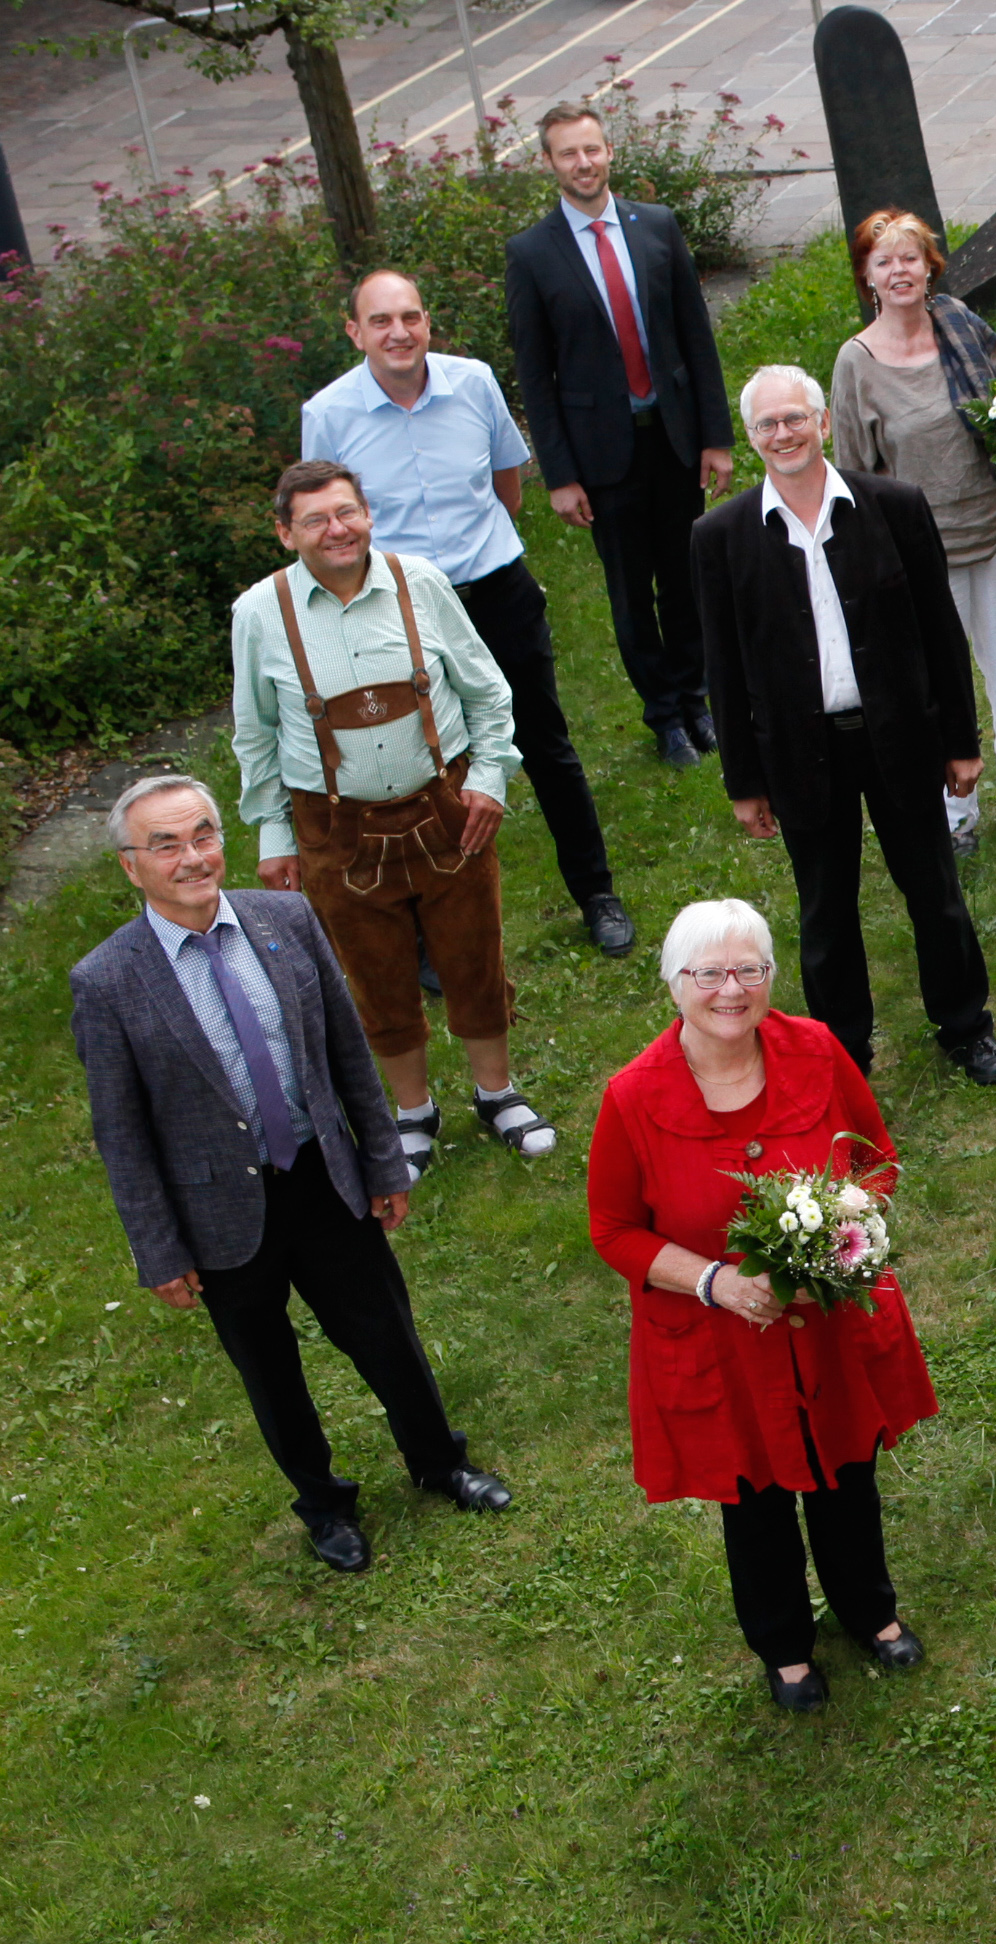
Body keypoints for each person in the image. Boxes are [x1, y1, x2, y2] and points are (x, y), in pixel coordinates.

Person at [70, 775, 512, 1574]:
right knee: (270, 1371)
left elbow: (347, 1050)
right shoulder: (107, 982)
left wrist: (382, 1157)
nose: (191, 857)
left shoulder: (286, 918)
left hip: (322, 1177)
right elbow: (121, 1135)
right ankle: (324, 1506)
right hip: (219, 1214)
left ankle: (440, 1462)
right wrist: (159, 1251)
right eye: (165, 845)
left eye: (202, 834)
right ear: (131, 868)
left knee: (386, 1334)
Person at [586, 899, 935, 1713]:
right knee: (754, 1497)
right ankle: (783, 1647)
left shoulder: (814, 1049)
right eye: (708, 974)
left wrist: (841, 1238)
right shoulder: (632, 1097)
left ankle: (871, 1614)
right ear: (675, 984)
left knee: (847, 1470)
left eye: (750, 970)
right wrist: (717, 1283)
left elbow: (875, 1160)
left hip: (828, 1321)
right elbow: (613, 1231)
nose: (731, 990)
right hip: (722, 1339)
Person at [688, 365, 996, 1090]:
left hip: (898, 735)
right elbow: (726, 666)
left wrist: (961, 740)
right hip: (800, 752)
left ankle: (966, 1027)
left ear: (823, 423)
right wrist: (744, 781)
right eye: (768, 425)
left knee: (934, 892)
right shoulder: (723, 536)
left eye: (796, 418)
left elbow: (940, 630)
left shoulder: (894, 507)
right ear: (751, 438)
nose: (784, 434)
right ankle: (844, 1054)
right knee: (826, 911)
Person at [228, 458, 556, 1177]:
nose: (336, 529)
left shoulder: (421, 584)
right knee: (372, 974)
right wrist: (274, 833)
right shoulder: (260, 614)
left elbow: (489, 692)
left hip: (446, 810)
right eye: (314, 519)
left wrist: (491, 779)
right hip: (333, 829)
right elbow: (254, 735)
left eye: (346, 512)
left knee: (474, 954)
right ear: (286, 534)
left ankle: (498, 1093)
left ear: (369, 515)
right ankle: (413, 1114)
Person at [302, 266, 633, 954]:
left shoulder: (473, 382)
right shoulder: (329, 415)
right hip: (395, 609)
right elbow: (326, 525)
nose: (400, 333)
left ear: (427, 322)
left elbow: (506, 485)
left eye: (411, 317)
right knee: (415, 766)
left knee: (544, 743)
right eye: (382, 321)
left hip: (495, 592)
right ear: (354, 331)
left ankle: (598, 894)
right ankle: (426, 929)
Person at [502, 96, 736, 768]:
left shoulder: (657, 226)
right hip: (602, 454)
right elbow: (535, 374)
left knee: (685, 577)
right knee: (632, 591)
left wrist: (714, 436)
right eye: (569, 153)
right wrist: (560, 474)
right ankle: (663, 714)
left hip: (672, 436)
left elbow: (696, 337)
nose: (584, 163)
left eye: (592, 149)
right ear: (549, 164)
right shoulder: (532, 254)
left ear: (609, 152)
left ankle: (698, 698)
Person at [831, 208, 996, 857]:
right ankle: (956, 814)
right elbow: (851, 470)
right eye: (884, 260)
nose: (899, 271)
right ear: (867, 276)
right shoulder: (857, 362)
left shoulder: (963, 326)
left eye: (910, 257)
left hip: (994, 525)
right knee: (934, 688)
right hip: (921, 553)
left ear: (930, 266)